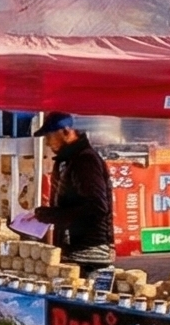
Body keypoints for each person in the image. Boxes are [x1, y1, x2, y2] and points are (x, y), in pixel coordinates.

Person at [31, 113, 114, 268]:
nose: (47, 143)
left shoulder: (85, 160)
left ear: (66, 131)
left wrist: (53, 215)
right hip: (71, 250)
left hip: (88, 253)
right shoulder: (67, 160)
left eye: (49, 136)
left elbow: (96, 207)